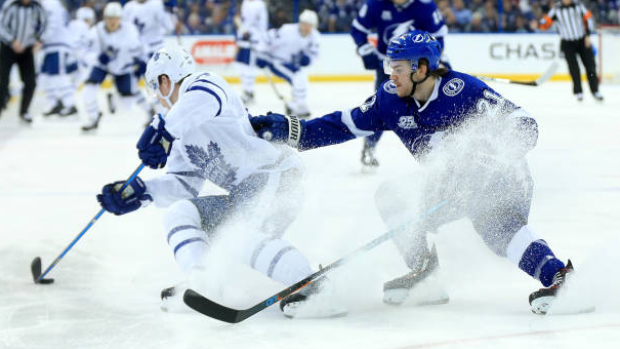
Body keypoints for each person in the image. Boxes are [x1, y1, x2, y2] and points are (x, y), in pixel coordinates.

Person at [248, 30, 585, 315]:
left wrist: (488, 161)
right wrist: (294, 131)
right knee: (394, 197)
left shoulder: (462, 91)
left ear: (421, 68)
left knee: (494, 226)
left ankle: (560, 279)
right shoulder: (389, 100)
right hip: (448, 185)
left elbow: (524, 126)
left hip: (502, 179)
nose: (390, 75)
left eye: (397, 68)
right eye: (388, 67)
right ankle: (426, 274)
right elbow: (344, 124)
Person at [95, 45, 342, 318]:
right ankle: (205, 283)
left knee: (238, 235)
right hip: (243, 193)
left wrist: (164, 130)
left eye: (155, 86)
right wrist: (142, 192)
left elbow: (201, 101)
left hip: (276, 176)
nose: (156, 96)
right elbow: (183, 186)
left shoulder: (205, 84)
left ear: (165, 80)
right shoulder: (177, 131)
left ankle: (317, 288)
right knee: (180, 214)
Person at [351, 0, 448, 168]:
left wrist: (434, 59)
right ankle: (369, 147)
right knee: (382, 107)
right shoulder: (376, 3)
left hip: (420, 66)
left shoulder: (425, 6)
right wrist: (365, 49)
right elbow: (358, 29)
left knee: (439, 102)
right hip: (390, 65)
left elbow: (438, 35)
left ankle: (445, 144)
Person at [80, 2, 151, 131]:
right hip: (102, 66)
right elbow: (83, 53)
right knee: (88, 88)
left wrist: (142, 62)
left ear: (120, 18)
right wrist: (97, 58)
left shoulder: (130, 30)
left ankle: (150, 111)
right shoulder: (96, 32)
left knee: (126, 104)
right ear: (105, 18)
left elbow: (141, 48)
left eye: (115, 18)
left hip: (123, 67)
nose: (112, 21)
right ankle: (93, 117)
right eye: (109, 18)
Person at [241, 9, 320, 117]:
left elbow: (314, 54)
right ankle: (299, 106)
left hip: (290, 64)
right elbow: (268, 39)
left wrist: (308, 59)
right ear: (300, 23)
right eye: (305, 24)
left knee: (300, 78)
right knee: (298, 76)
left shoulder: (315, 37)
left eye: (310, 25)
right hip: (276, 62)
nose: (306, 27)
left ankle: (294, 105)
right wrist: (261, 55)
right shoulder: (287, 30)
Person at [540, 0, 603, 102]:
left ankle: (595, 91)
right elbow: (545, 23)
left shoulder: (578, 5)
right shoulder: (556, 9)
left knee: (590, 66)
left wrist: (588, 35)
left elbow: (588, 18)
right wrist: (540, 24)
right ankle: (578, 92)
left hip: (582, 40)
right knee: (574, 69)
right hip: (567, 43)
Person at [0, 0, 46, 121]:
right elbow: (1, 25)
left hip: (27, 48)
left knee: (31, 82)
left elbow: (44, 24)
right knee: (2, 81)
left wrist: (39, 41)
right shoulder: (11, 5)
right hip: (8, 48)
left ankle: (24, 111)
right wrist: (12, 41)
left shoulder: (37, 6)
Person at [39, 0, 79, 117]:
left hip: (57, 45)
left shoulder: (50, 3)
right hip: (50, 46)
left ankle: (70, 104)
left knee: (60, 76)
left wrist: (40, 39)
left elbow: (52, 24)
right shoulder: (50, 3)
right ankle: (54, 104)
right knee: (47, 77)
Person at [234, 0, 268, 104]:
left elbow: (260, 23)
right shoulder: (245, 2)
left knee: (248, 67)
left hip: (253, 39)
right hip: (244, 39)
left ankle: (249, 92)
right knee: (241, 66)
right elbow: (244, 20)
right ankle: (246, 90)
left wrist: (260, 40)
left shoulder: (259, 4)